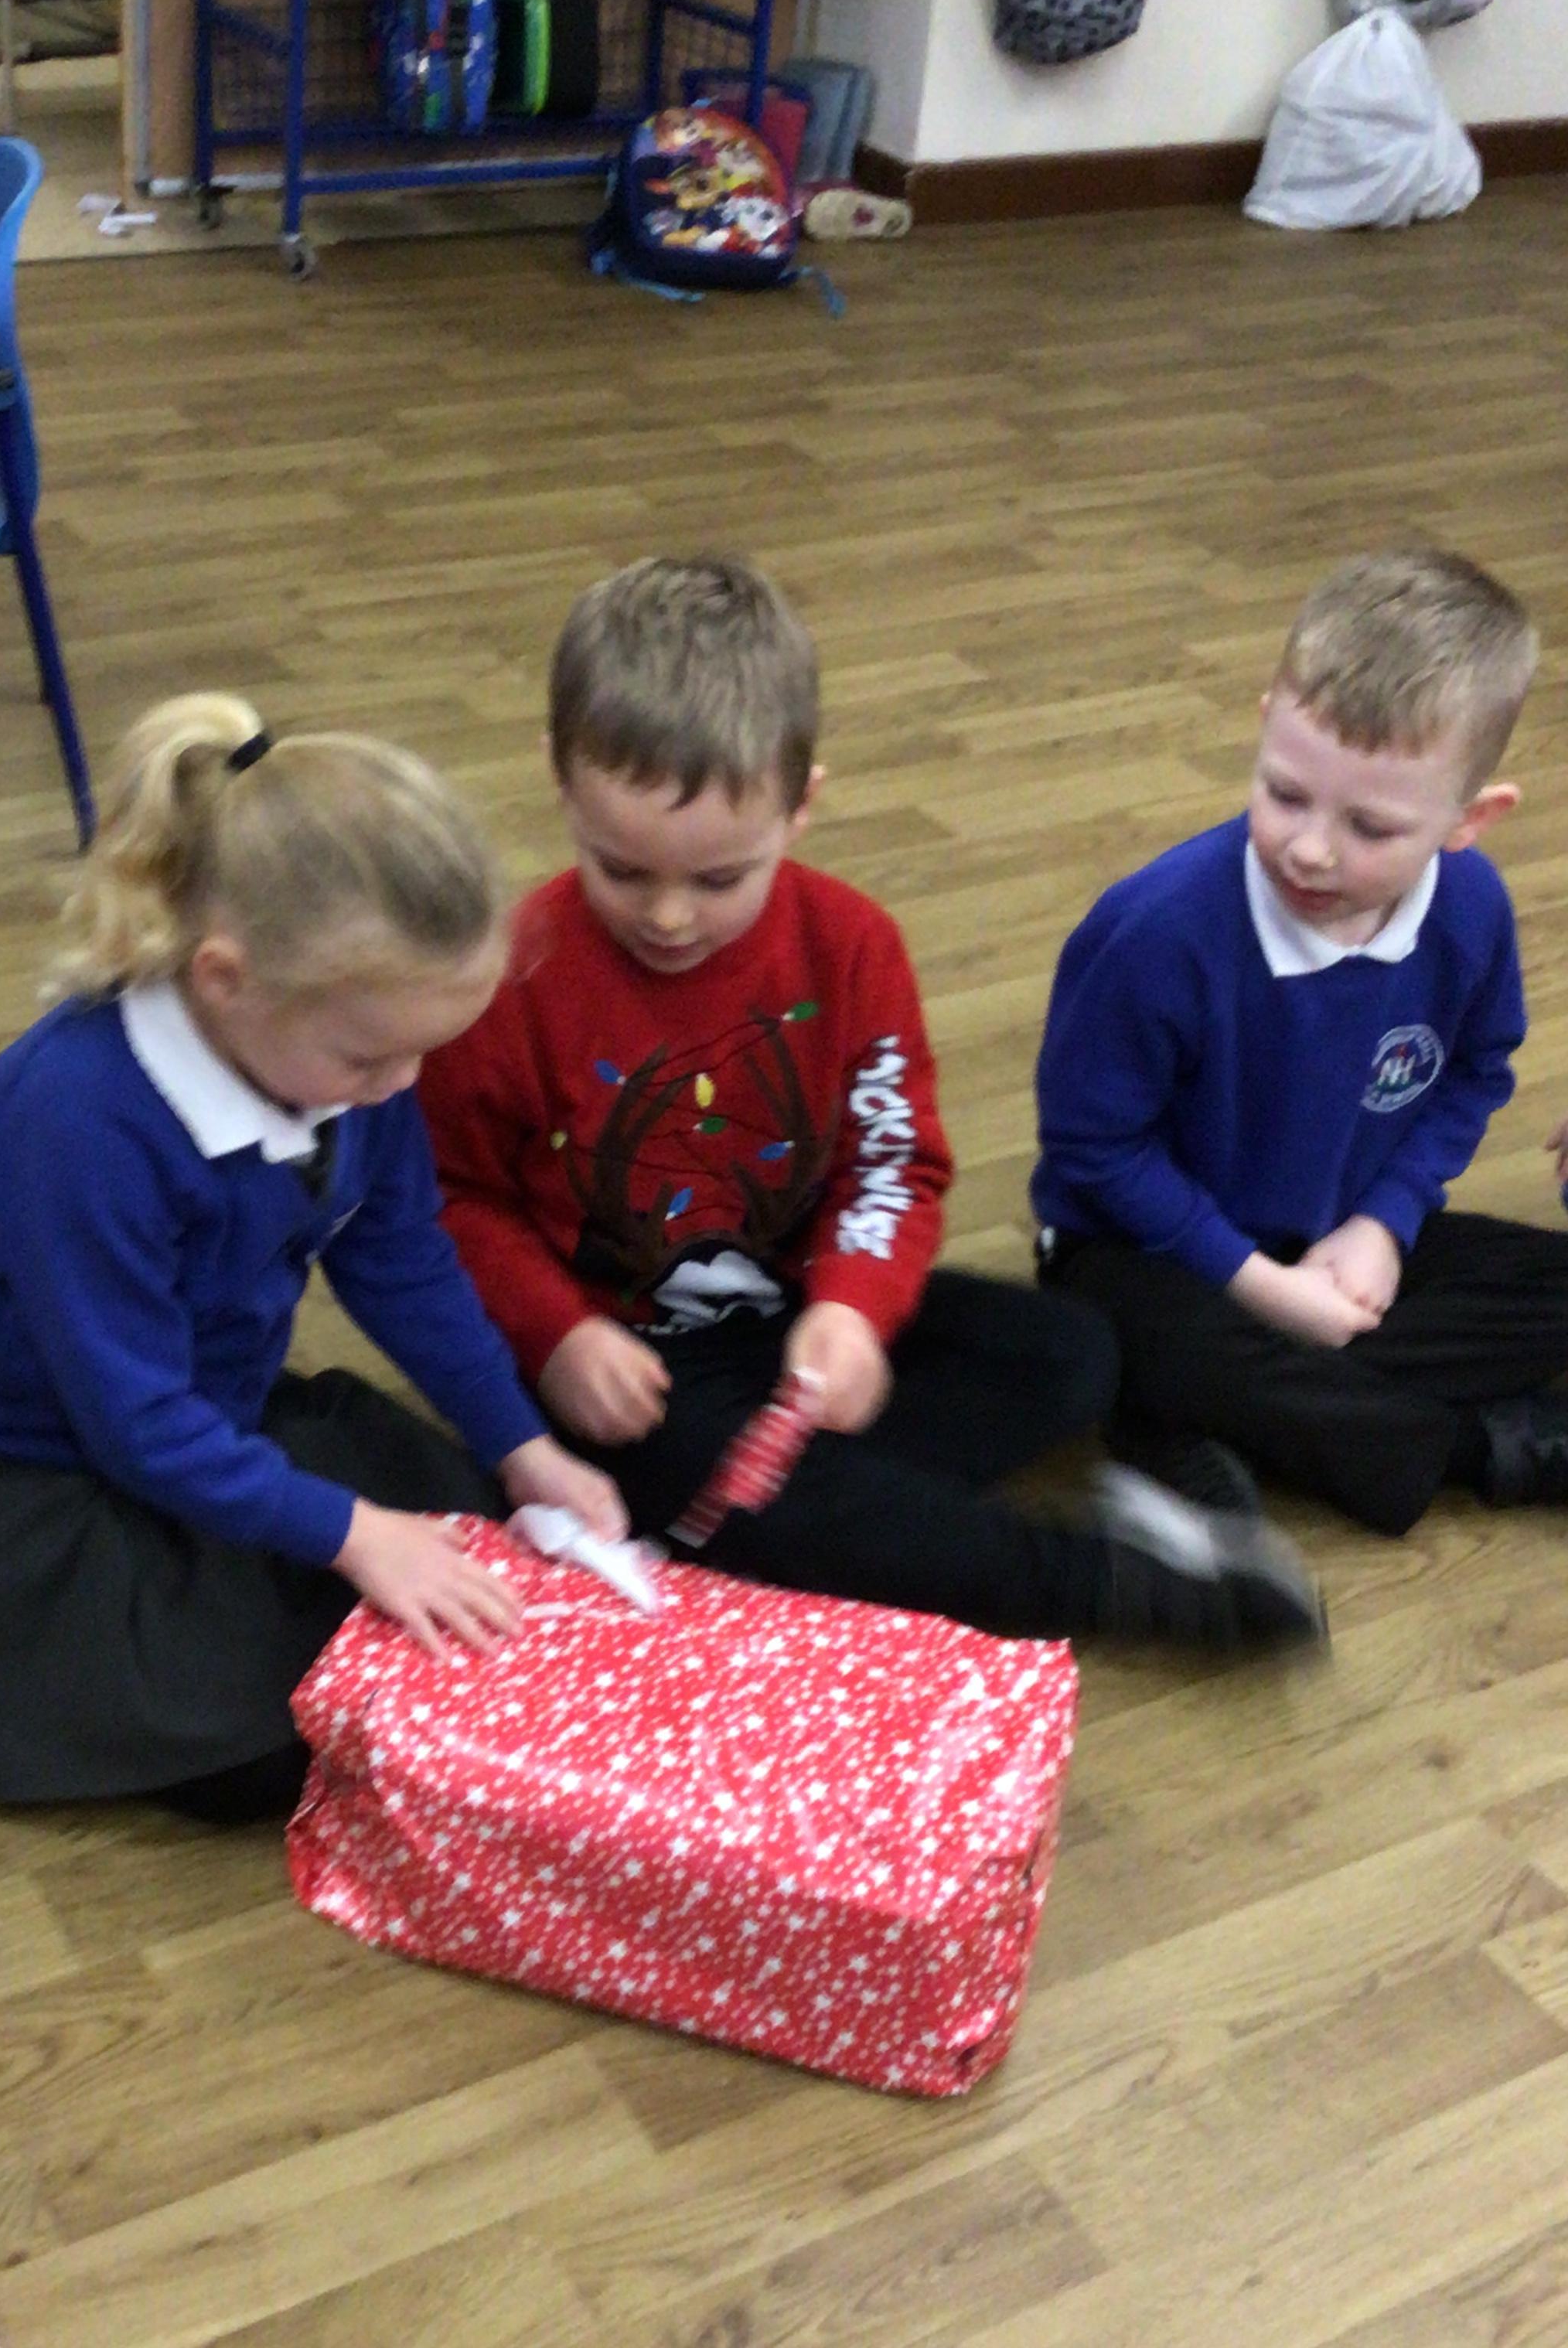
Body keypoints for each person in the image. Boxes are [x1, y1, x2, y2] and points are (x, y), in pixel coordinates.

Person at [418, 555, 1323, 1651]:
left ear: (803, 803)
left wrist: (853, 1308)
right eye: (623, 871)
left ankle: (782, 1523)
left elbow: (891, 1164)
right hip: (632, 1372)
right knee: (725, 1476)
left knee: (1072, 1356)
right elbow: (451, 1202)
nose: (669, 918)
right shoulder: (508, 977)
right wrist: (557, 1337)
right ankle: (1099, 1583)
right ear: (561, 783)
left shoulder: (851, 947)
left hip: (794, 1325)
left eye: (719, 879)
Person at [0, 694, 623, 1821]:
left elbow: (402, 1257)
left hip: (215, 1415)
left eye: (420, 1055)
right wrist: (356, 1535)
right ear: (224, 978)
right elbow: (134, 1422)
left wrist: (521, 1443)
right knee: (265, 1745)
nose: (401, 1088)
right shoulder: (68, 1118)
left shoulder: (350, 1053)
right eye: (370, 1059)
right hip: (56, 1472)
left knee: (479, 1539)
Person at [1032, 545, 1568, 1538]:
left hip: (1332, 1233)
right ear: (1265, 724)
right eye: (1285, 794)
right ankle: (1488, 1449)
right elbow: (1093, 1151)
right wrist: (1262, 1289)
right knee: (1125, 1339)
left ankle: (1215, 1417)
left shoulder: (1472, 914)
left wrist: (1385, 1224)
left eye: (1370, 827)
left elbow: (1474, 1072)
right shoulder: (1154, 931)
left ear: (1470, 820)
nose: (1311, 848)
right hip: (1152, 1251)